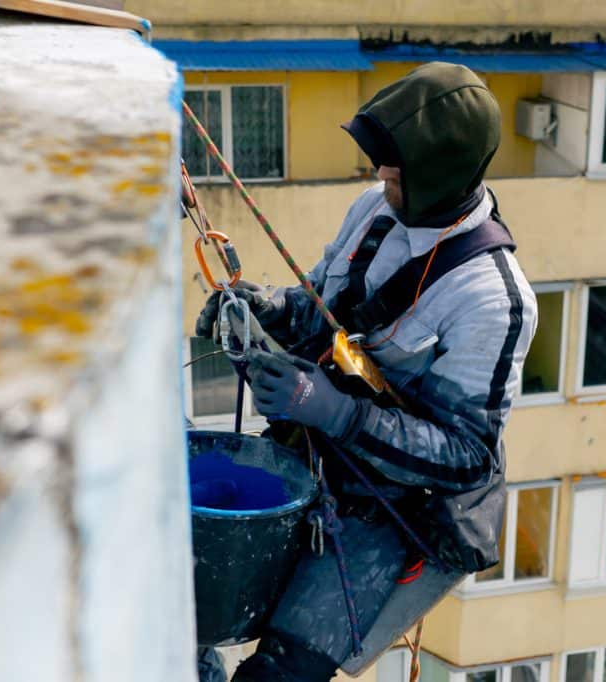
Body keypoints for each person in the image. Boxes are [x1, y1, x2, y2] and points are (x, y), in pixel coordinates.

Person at [194, 62, 537, 682]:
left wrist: (337, 411)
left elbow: (466, 456)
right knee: (192, 592)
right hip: (314, 452)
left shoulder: (492, 299)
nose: (382, 176)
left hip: (391, 509)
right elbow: (321, 311)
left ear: (440, 177)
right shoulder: (374, 211)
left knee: (279, 672)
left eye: (397, 170)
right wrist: (263, 306)